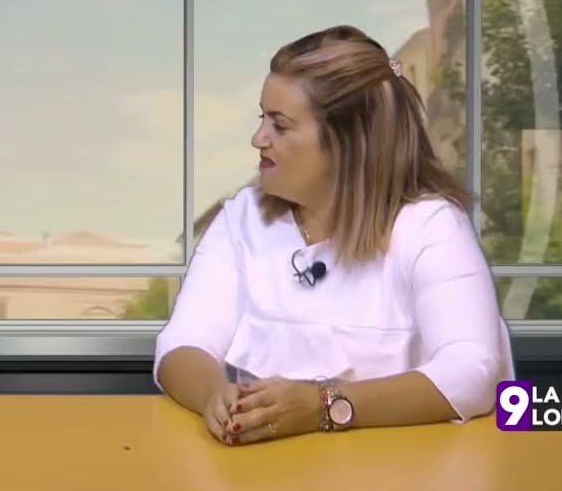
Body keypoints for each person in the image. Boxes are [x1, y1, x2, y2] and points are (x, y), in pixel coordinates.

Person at [154, 25, 513, 445]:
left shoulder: (431, 227)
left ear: (348, 142)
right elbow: (181, 345)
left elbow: (472, 371)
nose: (258, 139)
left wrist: (325, 406)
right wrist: (214, 396)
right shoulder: (241, 219)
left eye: (280, 126)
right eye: (261, 119)